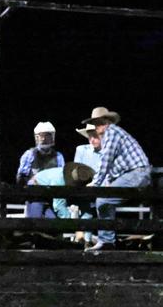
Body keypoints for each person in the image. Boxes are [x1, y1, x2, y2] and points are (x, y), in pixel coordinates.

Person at [82, 107, 151, 251]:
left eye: (100, 122)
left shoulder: (111, 132)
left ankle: (107, 241)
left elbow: (106, 161)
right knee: (104, 198)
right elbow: (113, 169)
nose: (97, 126)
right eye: (95, 123)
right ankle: (107, 240)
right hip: (134, 174)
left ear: (107, 121)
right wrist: (105, 183)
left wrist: (95, 183)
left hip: (137, 173)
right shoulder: (111, 135)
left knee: (103, 199)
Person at [17, 121, 65, 218]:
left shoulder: (58, 157)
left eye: (47, 135)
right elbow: (20, 178)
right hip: (34, 198)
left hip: (52, 198)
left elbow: (62, 177)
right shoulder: (29, 155)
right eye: (40, 136)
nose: (43, 139)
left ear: (52, 137)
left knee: (54, 224)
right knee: (33, 223)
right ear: (36, 137)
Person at [29, 162, 96, 219]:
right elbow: (59, 206)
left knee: (52, 221)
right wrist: (71, 223)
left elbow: (85, 206)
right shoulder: (59, 182)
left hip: (50, 193)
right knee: (35, 219)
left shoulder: (81, 179)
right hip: (37, 186)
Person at [72, 123, 102, 245]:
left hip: (102, 190)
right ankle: (87, 241)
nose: (92, 140)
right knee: (86, 212)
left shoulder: (108, 152)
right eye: (90, 136)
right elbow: (76, 172)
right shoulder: (81, 150)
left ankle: (105, 242)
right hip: (85, 190)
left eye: (95, 136)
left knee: (104, 211)